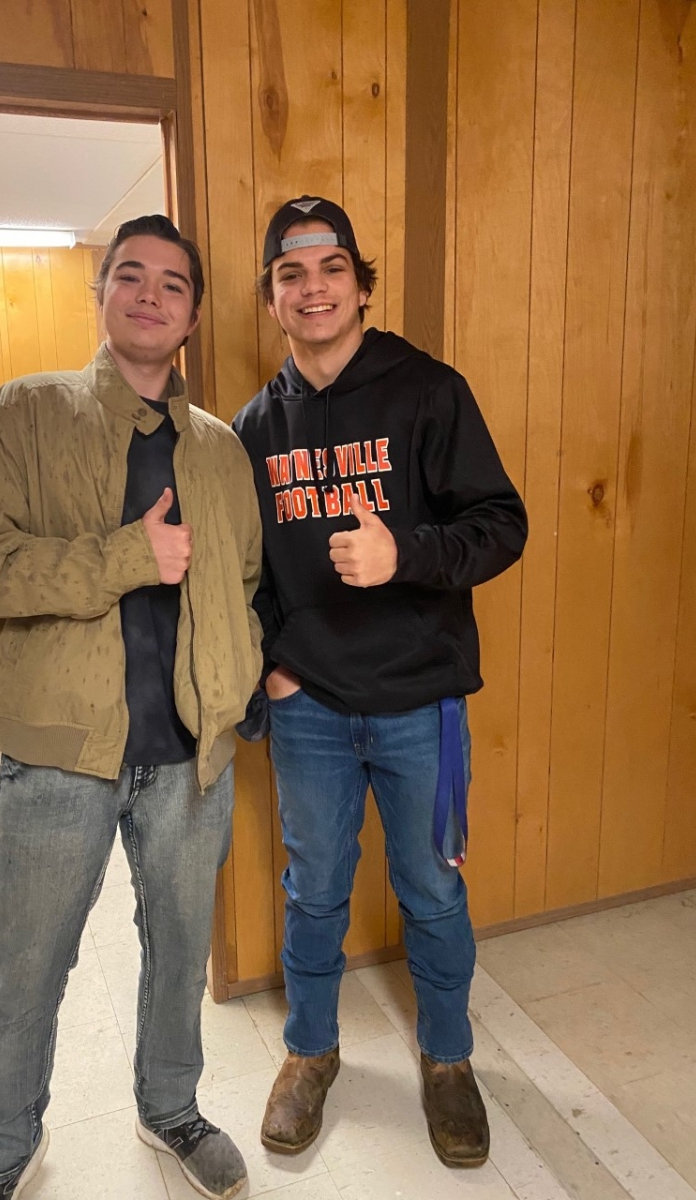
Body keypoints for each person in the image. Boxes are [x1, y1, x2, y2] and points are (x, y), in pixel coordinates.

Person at [0, 214, 262, 1200]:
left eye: (172, 282)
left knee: (179, 951)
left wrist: (239, 691)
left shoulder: (220, 449)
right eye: (131, 274)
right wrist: (127, 557)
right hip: (58, 762)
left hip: (189, 759)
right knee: (28, 969)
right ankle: (4, 1157)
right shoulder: (21, 414)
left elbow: (244, 583)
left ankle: (170, 1109)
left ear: (194, 314)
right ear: (103, 293)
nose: (151, 293)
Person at [232, 196, 528, 1168]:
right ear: (273, 297)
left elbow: (501, 525)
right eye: (290, 272)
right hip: (308, 707)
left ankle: (447, 1063)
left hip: (421, 703)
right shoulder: (254, 428)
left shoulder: (428, 391)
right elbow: (243, 574)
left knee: (430, 891)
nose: (311, 287)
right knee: (314, 890)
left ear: (361, 284)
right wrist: (269, 665)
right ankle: (311, 1053)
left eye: (329, 268)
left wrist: (405, 552)